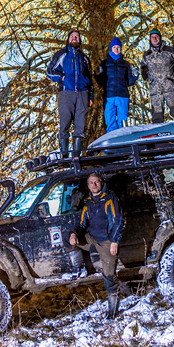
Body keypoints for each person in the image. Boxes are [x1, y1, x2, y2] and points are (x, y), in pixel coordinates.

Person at [68, 172, 126, 319]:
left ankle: (113, 312)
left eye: (96, 182)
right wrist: (74, 234)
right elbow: (81, 223)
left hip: (107, 241)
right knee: (67, 236)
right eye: (91, 183)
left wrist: (114, 241)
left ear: (101, 183)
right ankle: (78, 268)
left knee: (109, 277)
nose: (94, 185)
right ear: (88, 186)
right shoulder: (88, 202)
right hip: (92, 238)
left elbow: (119, 221)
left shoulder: (110, 199)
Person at [47, 29, 93, 158]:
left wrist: (90, 96)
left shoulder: (84, 58)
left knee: (80, 126)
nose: (74, 38)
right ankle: (64, 155)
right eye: (72, 36)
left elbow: (90, 78)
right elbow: (49, 71)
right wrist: (61, 77)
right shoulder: (61, 54)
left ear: (80, 40)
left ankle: (77, 155)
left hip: (82, 94)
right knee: (65, 124)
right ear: (68, 39)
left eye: (77, 37)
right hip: (66, 92)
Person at [140, 28, 174, 135]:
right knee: (157, 117)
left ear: (160, 38)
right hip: (155, 91)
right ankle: (159, 141)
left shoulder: (170, 51)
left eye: (157, 36)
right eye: (152, 37)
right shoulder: (147, 55)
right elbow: (143, 70)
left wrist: (172, 77)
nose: (155, 38)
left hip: (170, 89)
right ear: (150, 39)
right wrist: (150, 80)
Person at [94, 36, 139, 133]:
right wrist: (97, 74)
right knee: (110, 121)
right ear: (111, 48)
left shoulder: (126, 64)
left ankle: (123, 138)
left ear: (121, 48)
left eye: (118, 47)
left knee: (123, 122)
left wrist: (135, 76)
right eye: (114, 47)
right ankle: (112, 139)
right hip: (109, 96)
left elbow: (129, 81)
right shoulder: (104, 63)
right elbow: (101, 82)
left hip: (123, 95)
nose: (116, 49)